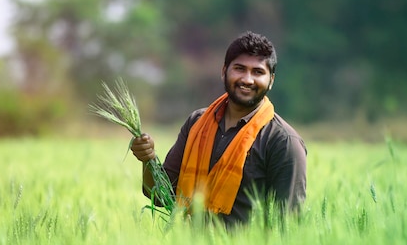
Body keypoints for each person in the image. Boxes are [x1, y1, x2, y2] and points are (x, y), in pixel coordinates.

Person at [131, 31, 307, 227]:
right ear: (224, 71)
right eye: (239, 69)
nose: (247, 79)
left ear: (271, 80)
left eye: (258, 72)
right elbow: (161, 196)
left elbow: (287, 226)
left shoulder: (283, 142)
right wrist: (148, 160)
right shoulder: (197, 123)